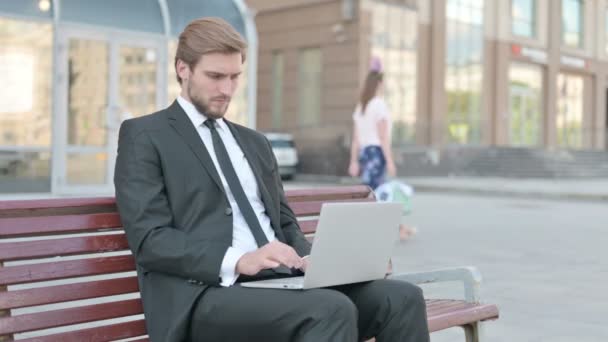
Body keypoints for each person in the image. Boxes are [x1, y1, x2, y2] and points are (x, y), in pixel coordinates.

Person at [114, 17, 429, 342]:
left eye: (235, 77)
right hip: (205, 295)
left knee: (401, 299)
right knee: (330, 309)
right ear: (183, 68)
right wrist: (239, 260)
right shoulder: (146, 135)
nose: (227, 89)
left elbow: (283, 221)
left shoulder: (254, 143)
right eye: (215, 76)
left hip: (280, 283)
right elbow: (151, 240)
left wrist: (310, 260)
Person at [348, 60, 417, 240]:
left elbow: (355, 139)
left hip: (365, 154)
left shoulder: (361, 107)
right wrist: (390, 160)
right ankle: (385, 229)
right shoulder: (379, 105)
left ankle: (398, 228)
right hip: (376, 154)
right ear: (379, 83)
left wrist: (354, 161)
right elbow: (383, 137)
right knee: (378, 194)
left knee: (374, 193)